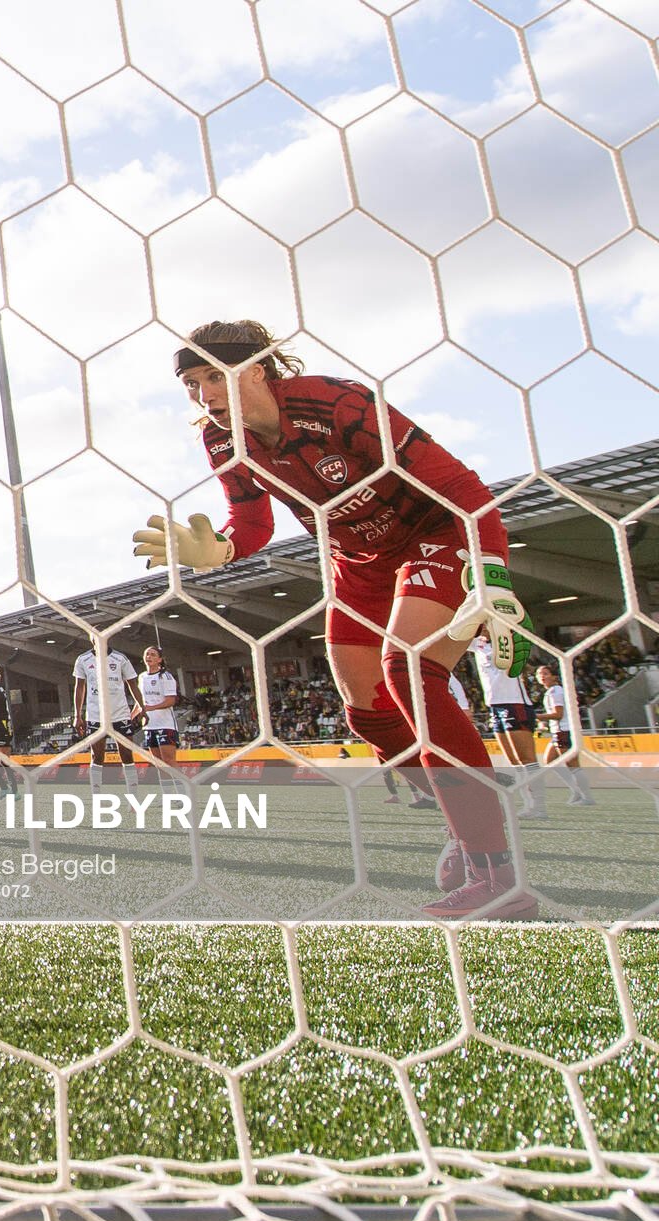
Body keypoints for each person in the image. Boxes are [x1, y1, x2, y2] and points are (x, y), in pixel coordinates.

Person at [135, 320, 537, 920]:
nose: (203, 397)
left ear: (258, 370)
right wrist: (218, 550)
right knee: (363, 704)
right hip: (357, 559)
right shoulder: (223, 442)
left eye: (213, 379)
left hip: (435, 532)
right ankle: (465, 824)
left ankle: (499, 877)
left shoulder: (339, 405)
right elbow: (253, 524)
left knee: (409, 671)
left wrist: (492, 573)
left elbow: (462, 486)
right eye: (191, 385)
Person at [470, 634, 545, 817]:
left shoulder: (507, 639)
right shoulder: (477, 643)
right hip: (494, 706)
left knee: (526, 759)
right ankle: (529, 804)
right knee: (513, 761)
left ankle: (540, 806)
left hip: (514, 703)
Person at [72, 642, 145, 794]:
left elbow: (132, 684)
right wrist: (77, 715)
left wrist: (141, 707)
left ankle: (133, 795)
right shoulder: (83, 659)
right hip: (95, 716)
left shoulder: (120, 658)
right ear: (90, 638)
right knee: (96, 756)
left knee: (126, 755)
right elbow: (80, 687)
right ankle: (96, 795)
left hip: (120, 714)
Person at [535, 663, 595, 805]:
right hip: (558, 730)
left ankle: (587, 797)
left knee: (573, 765)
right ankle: (576, 790)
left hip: (564, 730)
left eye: (545, 673)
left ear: (554, 677)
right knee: (549, 761)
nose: (542, 676)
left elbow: (558, 714)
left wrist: (536, 717)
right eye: (539, 674)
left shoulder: (556, 691)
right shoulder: (551, 692)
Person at [137, 646, 181, 792]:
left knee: (169, 761)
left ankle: (183, 793)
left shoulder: (165, 676)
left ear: (159, 659)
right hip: (149, 725)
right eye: (147, 654)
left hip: (165, 725)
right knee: (158, 763)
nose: (149, 657)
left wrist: (151, 708)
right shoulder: (142, 677)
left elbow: (171, 701)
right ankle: (168, 795)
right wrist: (131, 716)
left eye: (153, 654)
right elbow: (140, 701)